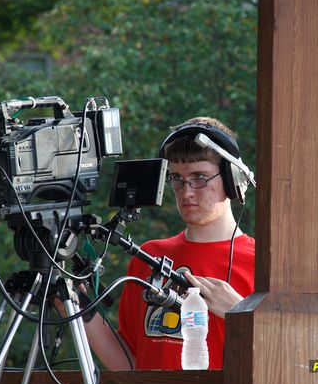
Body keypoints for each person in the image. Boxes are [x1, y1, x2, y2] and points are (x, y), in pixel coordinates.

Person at [82, 117, 255, 370]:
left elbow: (290, 362)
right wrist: (78, 309)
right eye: (176, 178)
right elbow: (130, 366)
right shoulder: (150, 256)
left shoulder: (262, 264)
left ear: (232, 178)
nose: (186, 192)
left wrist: (240, 313)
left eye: (199, 177)